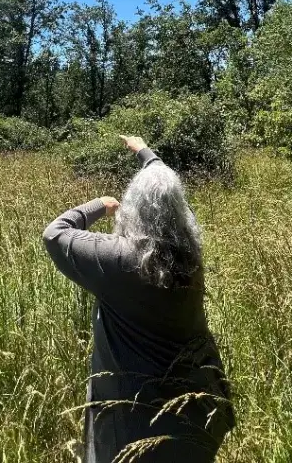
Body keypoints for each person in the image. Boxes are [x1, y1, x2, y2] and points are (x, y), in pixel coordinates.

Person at [42, 135, 235, 463]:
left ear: (133, 208)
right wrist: (146, 152)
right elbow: (165, 188)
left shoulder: (121, 259)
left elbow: (54, 234)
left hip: (135, 424)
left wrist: (100, 205)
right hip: (198, 408)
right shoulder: (189, 254)